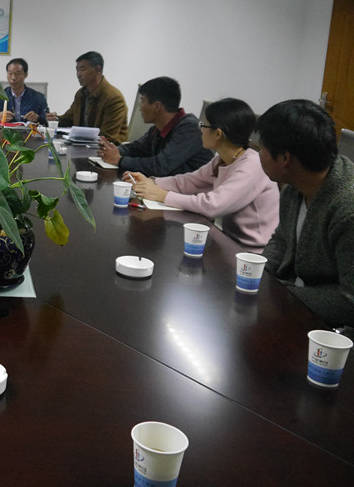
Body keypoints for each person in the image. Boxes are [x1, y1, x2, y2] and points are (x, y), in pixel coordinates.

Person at [124, 98, 279, 249]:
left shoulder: (252, 165)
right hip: (229, 241)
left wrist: (162, 196)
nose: (200, 130)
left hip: (252, 252)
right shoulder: (223, 159)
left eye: (203, 125)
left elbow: (212, 205)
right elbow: (191, 181)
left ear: (218, 134)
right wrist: (152, 181)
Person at [257, 100, 354, 327]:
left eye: (261, 147)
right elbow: (282, 238)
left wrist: (279, 292)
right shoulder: (294, 186)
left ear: (285, 158)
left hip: (331, 330)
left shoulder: (347, 210)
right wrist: (260, 274)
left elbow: (349, 302)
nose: (258, 154)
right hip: (296, 305)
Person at [99, 77, 213, 176]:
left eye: (142, 102)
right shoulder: (159, 127)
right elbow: (136, 148)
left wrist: (119, 160)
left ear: (157, 106)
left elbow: (160, 167)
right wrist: (111, 150)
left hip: (189, 192)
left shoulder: (190, 129)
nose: (140, 108)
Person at [47, 51, 128, 143]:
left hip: (104, 149)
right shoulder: (81, 94)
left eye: (82, 69)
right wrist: (55, 119)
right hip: (82, 145)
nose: (78, 74)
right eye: (77, 70)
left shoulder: (114, 98)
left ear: (98, 69)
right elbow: (69, 119)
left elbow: (108, 138)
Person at [0, 58, 49, 125]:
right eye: (10, 74)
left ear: (25, 75)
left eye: (17, 74)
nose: (13, 78)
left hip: (30, 131)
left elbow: (46, 121)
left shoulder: (38, 98)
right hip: (5, 131)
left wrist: (37, 118)